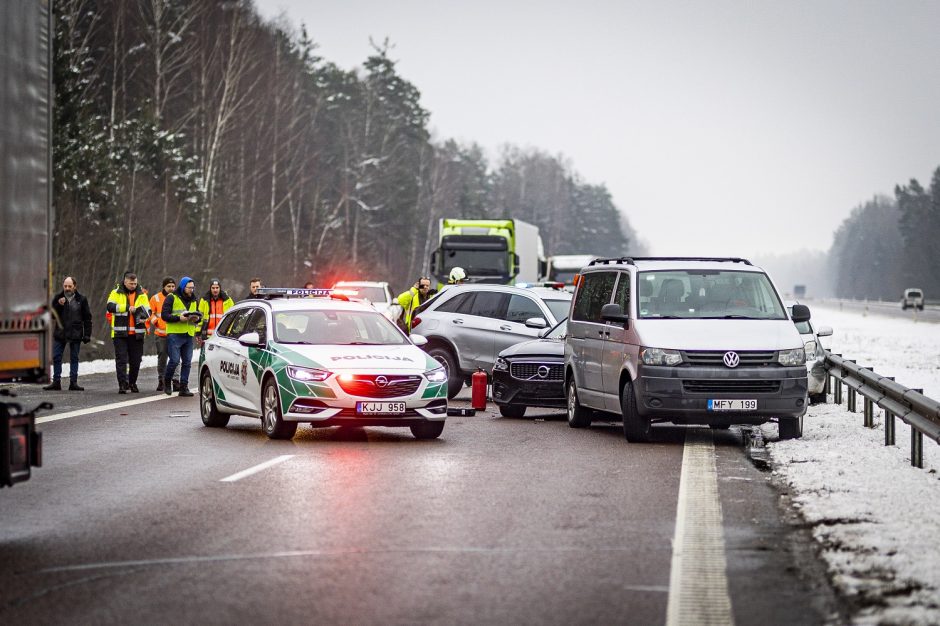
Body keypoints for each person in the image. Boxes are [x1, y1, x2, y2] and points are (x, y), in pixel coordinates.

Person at [43, 276, 92, 391]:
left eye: (69, 286)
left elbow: (87, 318)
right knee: (56, 357)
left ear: (75, 286)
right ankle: (56, 382)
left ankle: (73, 383)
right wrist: (58, 305)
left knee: (74, 357)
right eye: (65, 286)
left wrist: (87, 334)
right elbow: (51, 316)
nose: (67, 288)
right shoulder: (58, 298)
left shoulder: (82, 300)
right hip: (60, 332)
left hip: (76, 332)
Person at [107, 272, 150, 394]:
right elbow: (110, 306)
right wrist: (126, 307)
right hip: (120, 333)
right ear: (125, 282)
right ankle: (122, 384)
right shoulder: (116, 292)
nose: (133, 285)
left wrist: (143, 314)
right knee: (121, 360)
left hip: (137, 333)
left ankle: (132, 382)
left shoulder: (141, 294)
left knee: (136, 360)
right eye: (131, 283)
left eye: (135, 283)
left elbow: (148, 310)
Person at [161, 276, 200, 397]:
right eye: (189, 288)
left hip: (188, 334)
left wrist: (197, 319)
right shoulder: (171, 297)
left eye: (193, 288)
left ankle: (184, 387)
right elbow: (164, 316)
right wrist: (179, 318)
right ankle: (167, 381)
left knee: (187, 362)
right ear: (183, 287)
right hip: (175, 334)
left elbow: (198, 316)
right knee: (174, 361)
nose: (191, 290)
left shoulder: (194, 300)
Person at [149, 277, 180, 392]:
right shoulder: (155, 298)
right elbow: (149, 312)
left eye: (173, 286)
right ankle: (161, 380)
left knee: (176, 358)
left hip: (176, 333)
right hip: (161, 334)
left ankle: (176, 381)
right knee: (162, 357)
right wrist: (155, 321)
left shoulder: (178, 297)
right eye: (169, 286)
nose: (171, 288)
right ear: (164, 287)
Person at [197, 278, 234, 343]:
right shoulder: (204, 300)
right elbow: (200, 318)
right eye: (213, 288)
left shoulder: (228, 300)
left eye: (217, 288)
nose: (215, 290)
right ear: (210, 288)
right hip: (207, 336)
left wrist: (230, 332)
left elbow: (233, 317)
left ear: (220, 288)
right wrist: (197, 332)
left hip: (223, 336)